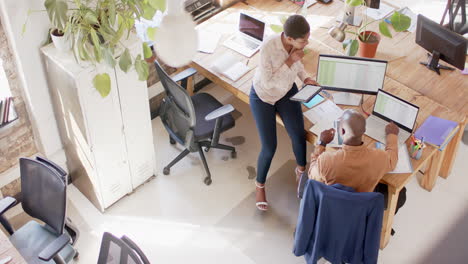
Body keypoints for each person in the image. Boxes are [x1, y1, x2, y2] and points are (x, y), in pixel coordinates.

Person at [250, 15, 319, 211]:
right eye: (303, 40)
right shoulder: (268, 48)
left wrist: (305, 78)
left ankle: (301, 172)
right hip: (264, 96)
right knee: (269, 147)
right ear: (289, 38)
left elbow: (298, 67)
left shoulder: (295, 46)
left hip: (287, 90)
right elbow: (268, 82)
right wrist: (289, 62)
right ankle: (259, 185)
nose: (306, 43)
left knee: (298, 134)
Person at [308, 110, 407, 220]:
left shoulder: (327, 161)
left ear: (342, 131)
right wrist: (392, 135)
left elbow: (312, 176)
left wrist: (321, 143)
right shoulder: (378, 158)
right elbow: (392, 160)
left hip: (333, 208)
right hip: (360, 209)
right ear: (364, 131)